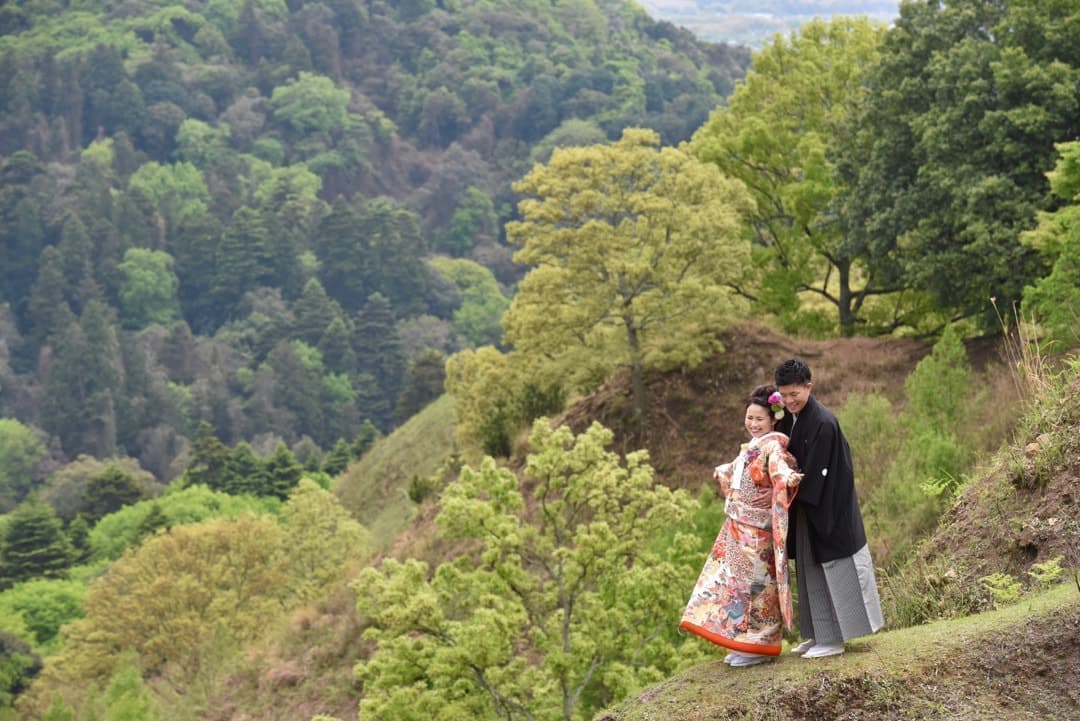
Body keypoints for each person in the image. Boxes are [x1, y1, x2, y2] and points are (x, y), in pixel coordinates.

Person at [680, 384, 802, 668]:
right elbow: (739, 470)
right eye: (749, 418)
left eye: (759, 419)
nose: (753, 424)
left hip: (757, 534)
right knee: (735, 587)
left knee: (757, 588)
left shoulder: (773, 447)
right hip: (739, 528)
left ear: (774, 420)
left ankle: (759, 645)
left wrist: (786, 477)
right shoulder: (753, 447)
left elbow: (778, 468)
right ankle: (743, 641)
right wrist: (724, 470)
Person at [774, 358, 884, 659]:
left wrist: (793, 489)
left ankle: (835, 639)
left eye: (795, 394)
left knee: (833, 570)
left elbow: (819, 472)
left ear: (809, 387)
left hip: (827, 506)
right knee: (810, 573)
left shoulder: (822, 422)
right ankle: (817, 634)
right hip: (808, 506)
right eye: (783, 395)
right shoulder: (791, 417)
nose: (789, 401)